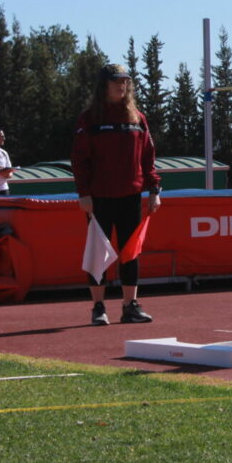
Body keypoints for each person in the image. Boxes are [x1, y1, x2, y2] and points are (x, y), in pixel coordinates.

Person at [70, 63, 162, 326]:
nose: (121, 86)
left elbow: (149, 158)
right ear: (104, 86)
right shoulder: (89, 119)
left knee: (130, 252)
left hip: (130, 195)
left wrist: (154, 190)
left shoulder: (138, 118)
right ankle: (98, 308)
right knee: (98, 253)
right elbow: (79, 159)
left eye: (125, 82)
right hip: (98, 197)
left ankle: (129, 306)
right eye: (116, 82)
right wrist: (84, 193)